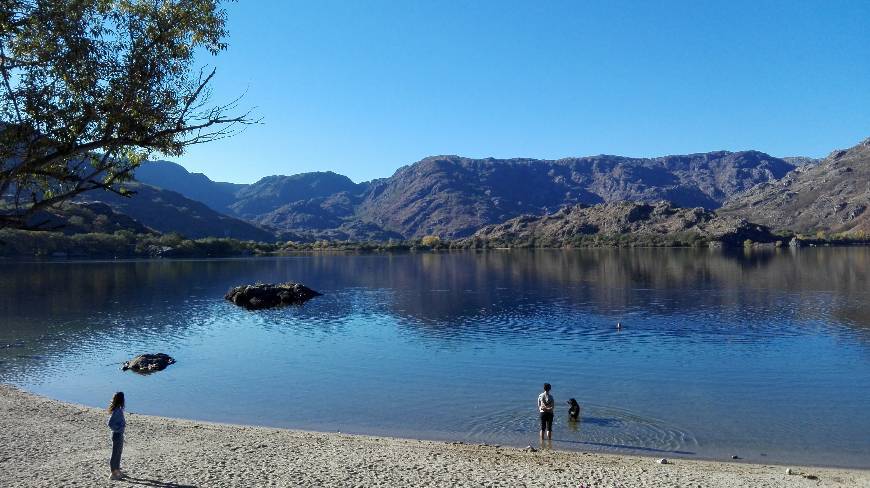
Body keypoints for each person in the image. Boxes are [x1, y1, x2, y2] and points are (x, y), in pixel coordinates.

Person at [107, 392, 126, 481]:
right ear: (121, 400)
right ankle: (113, 473)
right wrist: (118, 429)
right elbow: (110, 424)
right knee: (115, 453)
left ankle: (117, 470)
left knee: (119, 453)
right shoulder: (117, 410)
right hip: (117, 434)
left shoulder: (118, 409)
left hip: (119, 434)